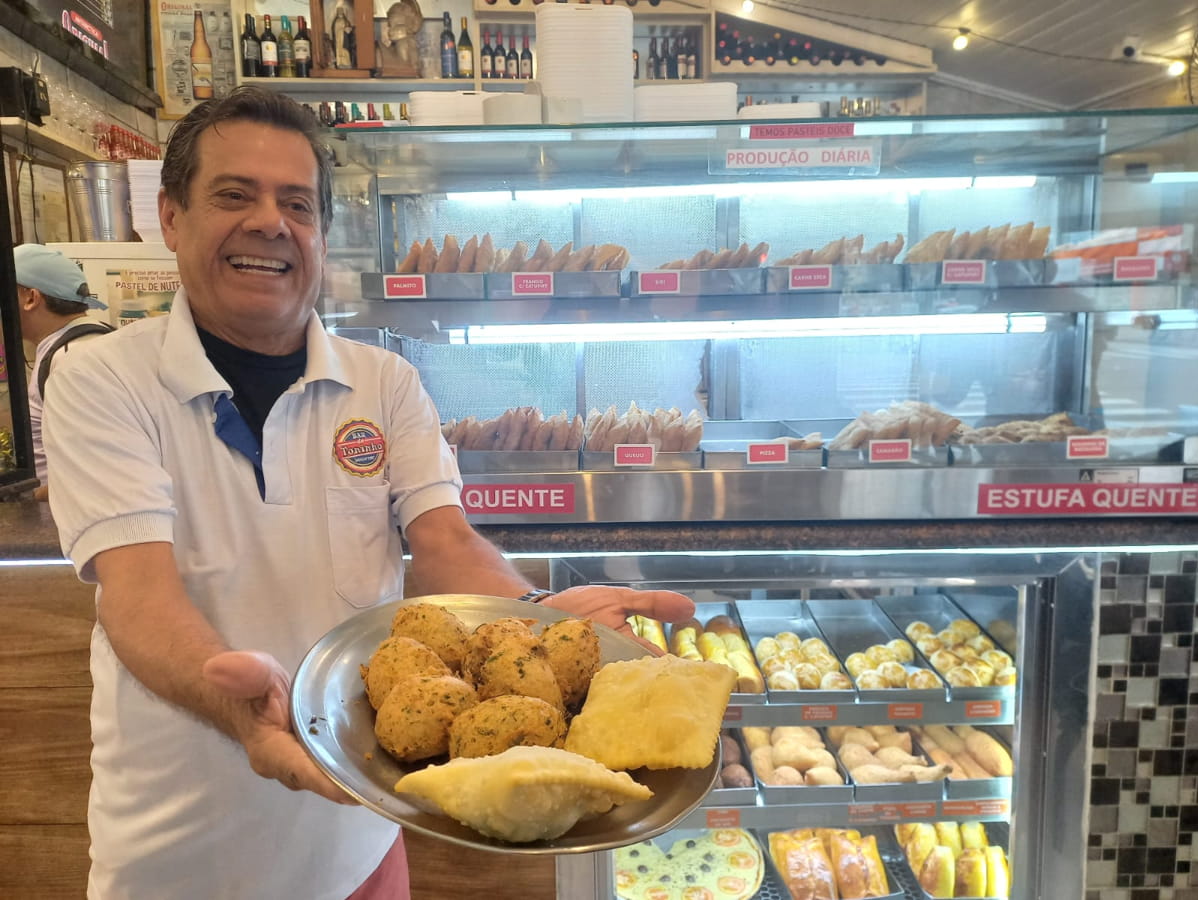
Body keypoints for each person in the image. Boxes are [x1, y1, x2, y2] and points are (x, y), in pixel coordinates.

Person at [42, 85, 695, 900]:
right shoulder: (101, 379)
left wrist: (532, 622)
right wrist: (238, 700)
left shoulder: (382, 381)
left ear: (319, 231)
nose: (270, 223)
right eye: (234, 195)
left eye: (297, 203)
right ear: (171, 217)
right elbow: (136, 595)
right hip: (180, 855)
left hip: (362, 835)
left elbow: (445, 544)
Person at [13, 243, 112, 501]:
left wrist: (23, 500)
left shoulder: (74, 360)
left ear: (31, 298)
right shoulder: (70, 347)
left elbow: (96, 475)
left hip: (63, 528)